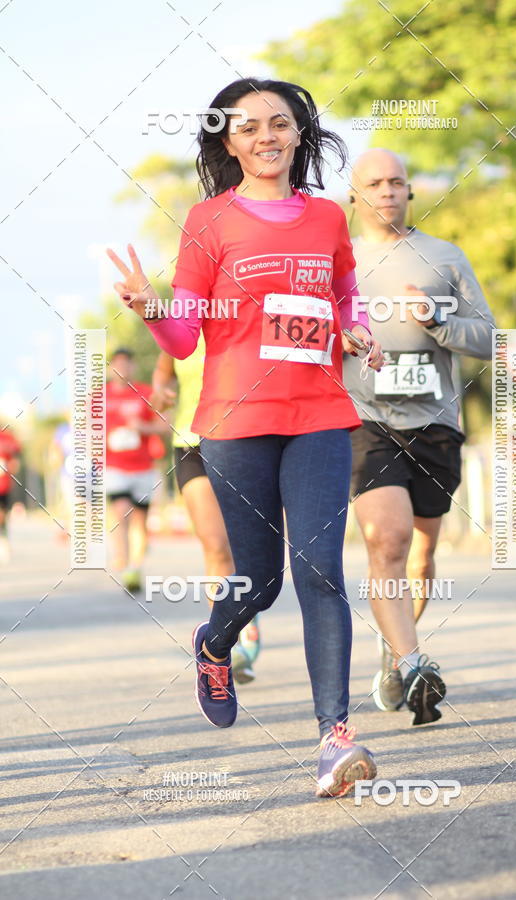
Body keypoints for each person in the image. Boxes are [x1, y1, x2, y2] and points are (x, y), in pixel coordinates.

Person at [107, 77, 385, 797]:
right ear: (228, 142)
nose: (267, 136)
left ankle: (334, 737)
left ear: (299, 133)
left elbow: (345, 296)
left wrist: (358, 330)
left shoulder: (327, 217)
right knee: (256, 580)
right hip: (235, 423)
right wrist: (148, 309)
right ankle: (214, 641)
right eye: (249, 127)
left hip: (320, 414)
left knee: (320, 571)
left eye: (280, 123)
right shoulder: (209, 222)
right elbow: (185, 335)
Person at [344, 148, 495, 725]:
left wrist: (438, 319)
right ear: (354, 196)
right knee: (389, 542)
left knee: (422, 554)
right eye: (374, 183)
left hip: (435, 424)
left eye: (397, 182)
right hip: (364, 420)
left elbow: (488, 338)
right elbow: (302, 337)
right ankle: (412, 664)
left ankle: (393, 646)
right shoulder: (338, 261)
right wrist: (338, 342)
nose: (387, 191)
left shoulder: (444, 257)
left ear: (410, 191)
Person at [150, 347, 262, 684]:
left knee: (247, 545)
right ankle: (228, 640)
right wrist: (160, 390)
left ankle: (246, 615)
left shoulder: (243, 313)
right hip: (190, 443)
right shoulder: (184, 321)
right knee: (215, 544)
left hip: (244, 439)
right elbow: (163, 370)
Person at [105, 347, 170, 592]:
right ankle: (122, 561)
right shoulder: (99, 397)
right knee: (121, 512)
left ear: (132, 367)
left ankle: (135, 567)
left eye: (126, 364)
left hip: (143, 466)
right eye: (117, 364)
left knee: (140, 521)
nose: (122, 369)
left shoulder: (145, 393)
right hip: (115, 466)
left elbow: (164, 426)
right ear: (111, 368)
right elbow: (86, 428)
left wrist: (142, 427)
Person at [0, 424, 21, 564]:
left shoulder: (7, 437)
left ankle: (4, 539)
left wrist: (14, 464)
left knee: (2, 513)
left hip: (3, 483)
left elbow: (16, 457)